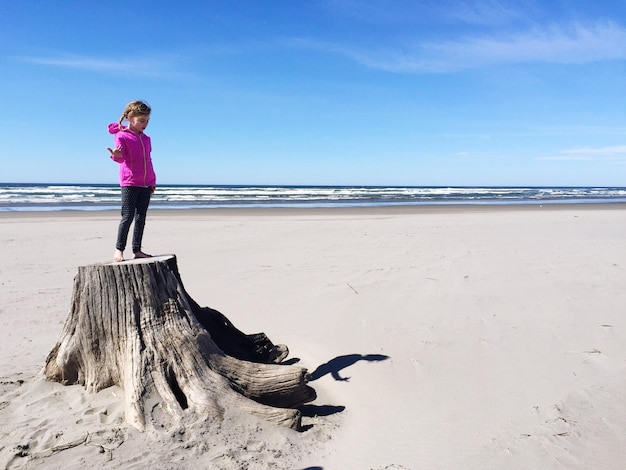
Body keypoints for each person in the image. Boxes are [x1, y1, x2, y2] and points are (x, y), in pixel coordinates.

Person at [106, 100, 157, 262]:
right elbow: (121, 159)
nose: (145, 124)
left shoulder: (147, 139)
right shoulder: (121, 136)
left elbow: (148, 160)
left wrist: (152, 181)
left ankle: (137, 250)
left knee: (141, 217)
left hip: (145, 183)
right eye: (142, 120)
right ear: (130, 117)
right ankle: (119, 250)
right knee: (127, 216)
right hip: (129, 182)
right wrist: (116, 155)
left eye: (147, 121)